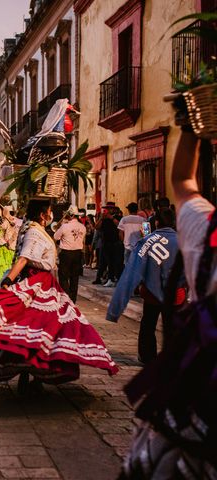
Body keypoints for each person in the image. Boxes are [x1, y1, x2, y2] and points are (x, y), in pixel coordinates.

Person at [119, 125, 216, 476]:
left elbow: (183, 182)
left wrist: (190, 128)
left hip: (199, 407)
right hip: (173, 292)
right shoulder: (157, 228)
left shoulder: (202, 235)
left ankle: (150, 355)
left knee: (152, 323)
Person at [0, 198, 118, 394]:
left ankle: (34, 375)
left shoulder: (34, 229)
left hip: (44, 283)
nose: (51, 215)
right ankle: (30, 375)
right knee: (34, 330)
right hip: (37, 284)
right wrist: (8, 281)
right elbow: (24, 257)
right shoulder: (33, 231)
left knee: (38, 331)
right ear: (42, 215)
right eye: (49, 211)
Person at [107, 208, 184, 364]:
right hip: (176, 294)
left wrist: (115, 309)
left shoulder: (146, 242)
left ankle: (148, 357)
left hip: (152, 293)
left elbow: (130, 275)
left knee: (148, 324)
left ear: (156, 222)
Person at [53, 206, 86, 303]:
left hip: (66, 253)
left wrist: (61, 225)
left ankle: (66, 298)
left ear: (70, 215)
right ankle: (73, 299)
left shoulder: (64, 226)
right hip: (78, 253)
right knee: (74, 277)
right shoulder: (82, 227)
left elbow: (56, 237)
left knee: (63, 276)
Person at [93, 206, 121, 287]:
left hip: (115, 242)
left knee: (115, 262)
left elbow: (119, 225)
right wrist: (101, 218)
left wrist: (111, 218)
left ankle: (113, 278)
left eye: (108, 209)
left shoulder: (118, 217)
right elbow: (96, 227)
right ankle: (107, 278)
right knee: (105, 261)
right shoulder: (104, 219)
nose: (106, 211)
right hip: (105, 242)